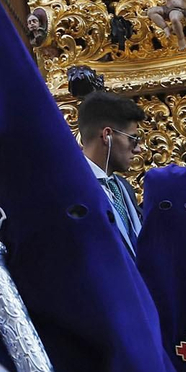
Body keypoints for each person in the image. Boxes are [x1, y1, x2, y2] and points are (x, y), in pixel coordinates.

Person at [77, 91, 146, 252]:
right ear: (107, 135)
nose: (138, 149)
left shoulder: (123, 187)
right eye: (133, 139)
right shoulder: (73, 189)